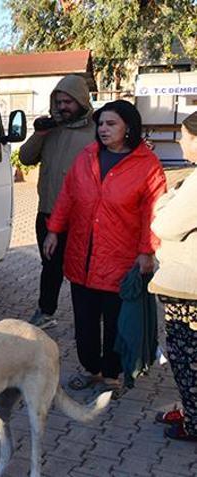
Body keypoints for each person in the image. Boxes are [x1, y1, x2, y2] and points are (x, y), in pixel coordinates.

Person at [43, 100, 167, 398]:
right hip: (81, 256)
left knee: (114, 323)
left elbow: (153, 213)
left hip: (119, 260)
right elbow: (68, 197)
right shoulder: (86, 157)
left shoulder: (147, 165)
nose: (103, 129)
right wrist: (54, 231)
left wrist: (147, 251)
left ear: (129, 128)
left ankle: (111, 376)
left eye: (111, 124)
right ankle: (92, 371)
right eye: (100, 124)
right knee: (84, 323)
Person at [19, 74, 97, 329]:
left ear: (82, 101)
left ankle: (86, 320)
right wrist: (39, 134)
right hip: (47, 213)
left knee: (81, 270)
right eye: (59, 101)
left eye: (69, 102)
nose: (63, 107)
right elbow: (26, 158)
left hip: (81, 218)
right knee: (50, 267)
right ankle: (46, 311)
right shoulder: (49, 130)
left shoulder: (97, 132)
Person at [149, 111, 197, 441]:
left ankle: (193, 421)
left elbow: (163, 224)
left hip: (189, 286)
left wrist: (168, 198)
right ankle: (190, 409)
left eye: (185, 136)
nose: (181, 141)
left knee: (186, 355)